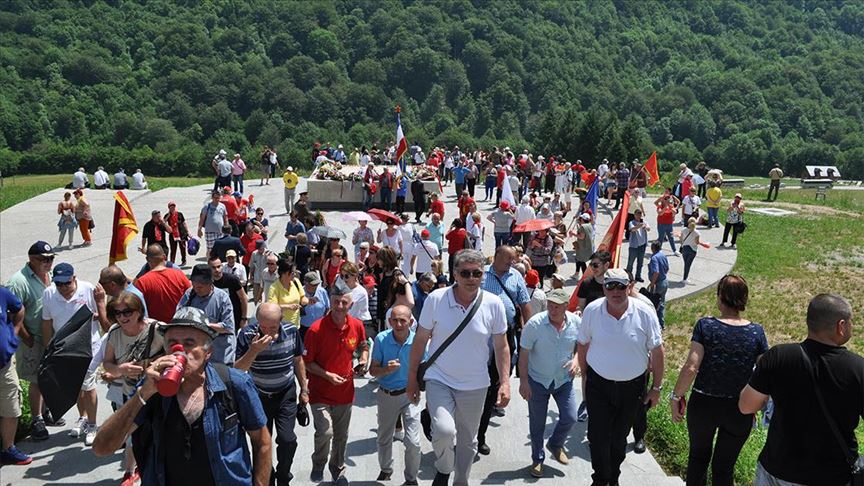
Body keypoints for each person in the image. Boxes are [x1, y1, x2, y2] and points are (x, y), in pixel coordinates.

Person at [92, 307, 272, 485]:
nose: (179, 350)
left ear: (207, 352)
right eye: (172, 343)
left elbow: (262, 442)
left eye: (189, 343)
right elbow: (102, 447)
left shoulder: (234, 383)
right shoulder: (151, 389)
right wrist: (143, 393)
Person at [407, 249, 511, 486]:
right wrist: (412, 378)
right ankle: (443, 468)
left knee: (468, 440)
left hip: (476, 383)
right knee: (444, 431)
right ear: (455, 273)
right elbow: (420, 340)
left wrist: (504, 382)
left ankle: (461, 481)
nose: (472, 278)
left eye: (477, 273)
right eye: (466, 273)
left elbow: (501, 346)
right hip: (439, 378)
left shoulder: (493, 304)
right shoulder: (436, 299)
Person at [739, 293, 863, 486]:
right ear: (841, 326)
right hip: (832, 475)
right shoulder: (858, 368)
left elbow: (746, 406)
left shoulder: (778, 356)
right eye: (850, 322)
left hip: (777, 470)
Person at [669, 275, 767, 486]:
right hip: (740, 407)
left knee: (698, 458)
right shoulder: (756, 332)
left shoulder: (706, 326)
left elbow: (691, 367)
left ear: (720, 296)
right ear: (744, 298)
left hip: (704, 404)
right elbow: (763, 372)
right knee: (724, 467)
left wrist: (676, 396)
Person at [577, 268, 665, 486]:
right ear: (604, 288)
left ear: (629, 287)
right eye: (610, 286)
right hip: (598, 385)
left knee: (619, 438)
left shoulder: (644, 312)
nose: (615, 291)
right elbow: (583, 344)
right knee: (597, 436)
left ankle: (613, 475)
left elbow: (657, 350)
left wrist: (656, 388)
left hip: (632, 388)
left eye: (621, 286)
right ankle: (600, 479)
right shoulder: (592, 310)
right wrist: (584, 376)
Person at [235, 302, 308, 486]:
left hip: (285, 393)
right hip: (258, 395)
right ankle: (267, 477)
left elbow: (298, 360)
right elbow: (237, 370)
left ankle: (283, 475)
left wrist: (304, 389)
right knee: (260, 445)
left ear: (281, 321)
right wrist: (254, 350)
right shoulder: (247, 335)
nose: (267, 332)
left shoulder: (291, 331)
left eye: (273, 327)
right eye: (263, 326)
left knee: (287, 439)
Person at [303, 280, 368, 484]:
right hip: (320, 393)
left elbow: (363, 345)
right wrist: (327, 375)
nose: (340, 306)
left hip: (345, 393)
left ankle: (338, 469)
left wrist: (363, 359)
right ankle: (319, 462)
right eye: (336, 302)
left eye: (344, 302)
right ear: (330, 302)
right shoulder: (315, 330)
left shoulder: (356, 325)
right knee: (325, 431)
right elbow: (307, 363)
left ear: (350, 304)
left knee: (341, 435)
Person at [100, 291, 164, 483]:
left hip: (158, 394)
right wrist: (121, 369)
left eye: (127, 312)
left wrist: (154, 365)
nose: (122, 317)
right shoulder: (114, 333)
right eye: (117, 313)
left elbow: (176, 355)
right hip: (131, 395)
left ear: (138, 311)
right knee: (132, 436)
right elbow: (108, 363)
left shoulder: (157, 329)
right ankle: (131, 471)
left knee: (159, 436)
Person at [41, 262, 108, 446]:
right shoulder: (49, 294)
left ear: (74, 279)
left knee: (88, 386)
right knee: (75, 386)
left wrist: (96, 313)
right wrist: (49, 348)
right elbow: (47, 323)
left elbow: (101, 314)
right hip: (64, 349)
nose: (63, 288)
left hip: (88, 348)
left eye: (67, 283)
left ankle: (93, 425)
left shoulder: (88, 289)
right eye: (59, 284)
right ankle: (83, 417)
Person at [519, 288, 580, 478]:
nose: (552, 310)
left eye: (557, 307)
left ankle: (555, 443)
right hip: (538, 381)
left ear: (565, 307)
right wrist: (524, 382)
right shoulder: (535, 324)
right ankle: (537, 459)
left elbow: (582, 345)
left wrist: (577, 360)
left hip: (563, 381)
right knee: (537, 424)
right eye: (550, 306)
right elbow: (524, 354)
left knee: (571, 417)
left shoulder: (576, 323)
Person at [477, 246, 533, 453]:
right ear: (497, 256)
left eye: (513, 259)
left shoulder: (516, 276)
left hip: (507, 334)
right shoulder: (481, 274)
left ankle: (481, 431)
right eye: (508, 258)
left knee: (500, 378)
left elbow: (525, 304)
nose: (512, 262)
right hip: (481, 336)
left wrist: (529, 330)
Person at [370, 304, 422, 484]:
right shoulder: (381, 339)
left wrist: (421, 389)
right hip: (387, 394)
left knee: (413, 442)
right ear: (389, 321)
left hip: (410, 395)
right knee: (384, 437)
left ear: (411, 322)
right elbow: (373, 371)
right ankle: (386, 470)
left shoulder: (418, 341)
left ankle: (411, 478)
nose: (398, 324)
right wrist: (386, 370)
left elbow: (426, 370)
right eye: (395, 320)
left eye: (403, 321)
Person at [177, 264, 236, 365]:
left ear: (210, 283)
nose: (196, 289)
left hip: (220, 356)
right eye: (194, 286)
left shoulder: (222, 298)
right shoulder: (190, 294)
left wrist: (204, 325)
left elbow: (228, 326)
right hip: (198, 355)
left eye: (200, 287)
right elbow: (178, 315)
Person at [0, 285, 31, 465]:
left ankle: (8, 449)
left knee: (11, 407)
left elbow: (19, 309)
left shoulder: (2, 293)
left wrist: (15, 331)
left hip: (4, 366)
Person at [132, 245, 190, 323]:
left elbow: (136, 308)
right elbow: (191, 295)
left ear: (147, 259)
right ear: (164, 256)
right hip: (179, 325)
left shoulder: (142, 282)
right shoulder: (179, 274)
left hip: (157, 328)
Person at [267, 259, 307, 327]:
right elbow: (272, 307)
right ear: (284, 273)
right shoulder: (274, 288)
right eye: (292, 272)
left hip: (296, 325)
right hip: (281, 326)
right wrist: (289, 307)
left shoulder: (296, 282)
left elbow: (302, 297)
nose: (294, 274)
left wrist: (306, 301)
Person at [648, 241, 670, 329]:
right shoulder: (663, 255)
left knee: (655, 304)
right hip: (665, 281)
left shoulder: (654, 258)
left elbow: (656, 272)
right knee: (662, 303)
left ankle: (658, 324)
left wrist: (652, 283)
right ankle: (662, 323)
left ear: (653, 248)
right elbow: (667, 268)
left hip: (658, 284)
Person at [626, 209, 650, 282]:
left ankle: (638, 276)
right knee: (630, 263)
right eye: (637, 214)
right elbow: (632, 229)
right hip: (634, 246)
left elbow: (649, 229)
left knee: (640, 262)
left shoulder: (644, 222)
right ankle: (628, 276)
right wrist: (639, 226)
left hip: (642, 246)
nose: (639, 216)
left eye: (640, 214)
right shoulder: (631, 222)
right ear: (634, 215)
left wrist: (646, 227)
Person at [654, 188, 679, 255]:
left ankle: (674, 250)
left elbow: (675, 212)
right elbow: (660, 213)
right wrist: (665, 207)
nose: (666, 200)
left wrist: (670, 206)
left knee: (671, 237)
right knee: (661, 238)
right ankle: (658, 250)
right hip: (661, 224)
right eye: (665, 199)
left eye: (667, 199)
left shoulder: (671, 206)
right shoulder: (660, 206)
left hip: (669, 224)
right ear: (662, 200)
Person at [570, 213, 595, 279]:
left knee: (581, 261)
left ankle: (585, 277)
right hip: (587, 246)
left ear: (582, 219)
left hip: (583, 247)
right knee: (577, 259)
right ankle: (577, 274)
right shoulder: (589, 225)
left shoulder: (583, 227)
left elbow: (581, 237)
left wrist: (573, 233)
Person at [165, 202, 189, 266]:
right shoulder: (167, 215)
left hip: (181, 234)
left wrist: (187, 232)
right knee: (173, 249)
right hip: (172, 234)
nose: (172, 208)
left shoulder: (179, 214)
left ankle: (184, 261)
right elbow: (163, 222)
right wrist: (168, 216)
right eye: (171, 207)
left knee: (183, 248)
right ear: (169, 208)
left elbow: (184, 223)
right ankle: (172, 262)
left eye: (173, 207)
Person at [679, 217, 701, 284]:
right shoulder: (697, 232)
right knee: (688, 265)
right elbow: (697, 242)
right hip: (692, 249)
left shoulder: (683, 230)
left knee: (686, 264)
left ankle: (685, 277)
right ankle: (685, 278)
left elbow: (681, 240)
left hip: (684, 249)